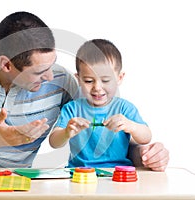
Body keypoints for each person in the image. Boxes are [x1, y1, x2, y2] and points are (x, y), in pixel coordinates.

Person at [0, 11, 169, 171]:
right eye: (40, 73)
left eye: (51, 66)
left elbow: (101, 130)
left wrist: (145, 155)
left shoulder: (62, 81)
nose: (51, 77)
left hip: (21, 186)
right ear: (7, 64)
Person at [49, 39, 166, 170]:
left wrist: (130, 125)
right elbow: (54, 142)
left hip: (119, 172)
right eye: (88, 81)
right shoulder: (72, 109)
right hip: (80, 173)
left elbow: (146, 137)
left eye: (106, 80)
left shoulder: (124, 108)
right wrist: (66, 133)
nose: (97, 87)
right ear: (79, 79)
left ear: (119, 78)